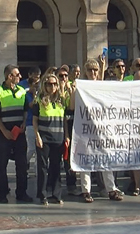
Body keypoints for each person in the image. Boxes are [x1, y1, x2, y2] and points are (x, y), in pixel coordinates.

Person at [77, 58, 124, 203]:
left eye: (95, 70)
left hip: (102, 128)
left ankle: (111, 189)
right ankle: (86, 190)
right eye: (90, 70)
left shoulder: (101, 85)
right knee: (86, 160)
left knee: (106, 158)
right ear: (85, 71)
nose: (93, 73)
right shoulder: (80, 86)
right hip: (86, 128)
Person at [0, 64, 33, 203]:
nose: (20, 77)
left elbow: (26, 109)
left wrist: (24, 122)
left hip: (19, 134)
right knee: (1, 165)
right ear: (10, 76)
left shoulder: (22, 91)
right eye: (17, 74)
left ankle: (22, 193)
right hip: (4, 134)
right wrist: (4, 131)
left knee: (21, 165)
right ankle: (2, 193)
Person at [33, 73, 69, 205]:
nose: (52, 86)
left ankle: (56, 194)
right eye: (49, 84)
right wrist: (37, 136)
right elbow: (35, 120)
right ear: (45, 85)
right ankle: (42, 194)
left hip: (58, 138)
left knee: (56, 167)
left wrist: (66, 136)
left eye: (54, 84)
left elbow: (64, 120)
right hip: (44, 138)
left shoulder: (61, 100)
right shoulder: (39, 101)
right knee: (43, 168)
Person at [20, 67, 42, 177]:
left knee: (39, 149)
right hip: (29, 123)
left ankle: (37, 172)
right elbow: (31, 105)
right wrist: (33, 95)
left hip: (39, 123)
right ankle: (24, 164)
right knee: (31, 148)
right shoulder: (27, 94)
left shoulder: (40, 93)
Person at [63, 64, 81, 195]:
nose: (77, 74)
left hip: (80, 122)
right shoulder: (66, 86)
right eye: (75, 71)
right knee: (67, 156)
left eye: (79, 72)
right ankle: (70, 183)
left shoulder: (81, 84)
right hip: (67, 121)